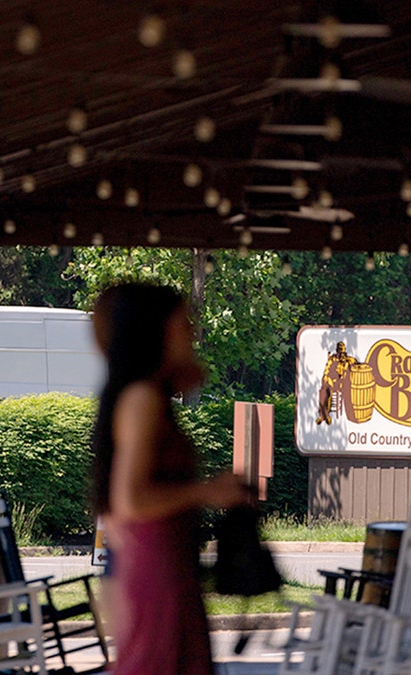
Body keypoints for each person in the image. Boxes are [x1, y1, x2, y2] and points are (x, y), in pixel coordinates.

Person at [89, 282, 251, 675]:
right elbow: (131, 499)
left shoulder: (149, 396)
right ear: (155, 330)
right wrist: (208, 491)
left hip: (165, 563)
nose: (192, 331)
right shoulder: (143, 398)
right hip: (157, 567)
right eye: (183, 323)